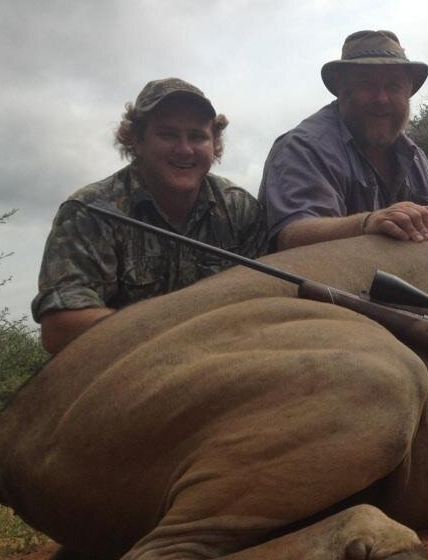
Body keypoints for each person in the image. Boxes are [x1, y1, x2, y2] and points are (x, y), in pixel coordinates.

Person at [32, 78, 267, 354]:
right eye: (167, 134)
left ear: (214, 144)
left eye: (197, 136)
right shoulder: (89, 211)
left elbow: (268, 299)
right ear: (136, 141)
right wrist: (179, 331)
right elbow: (60, 327)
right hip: (125, 373)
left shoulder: (239, 208)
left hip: (229, 363)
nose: (184, 149)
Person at [259, 30, 428, 251]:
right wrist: (367, 223)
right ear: (341, 89)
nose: (382, 99)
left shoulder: (414, 156)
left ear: (408, 92)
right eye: (367, 85)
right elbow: (293, 235)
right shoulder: (305, 146)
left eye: (393, 86)